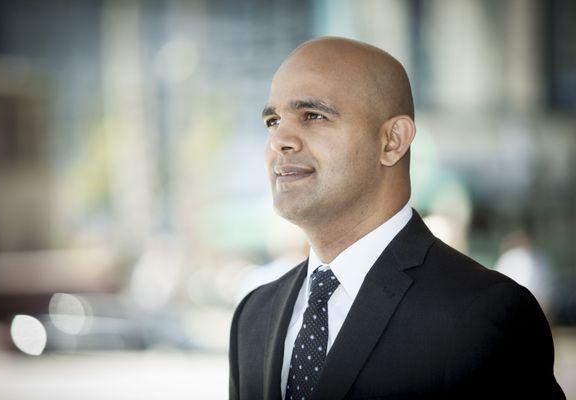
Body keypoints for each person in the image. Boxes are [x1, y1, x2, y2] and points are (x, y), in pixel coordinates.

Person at [229, 37, 565, 400]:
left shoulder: (484, 315)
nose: (280, 139)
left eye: (313, 115)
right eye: (273, 120)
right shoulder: (254, 315)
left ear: (392, 141)